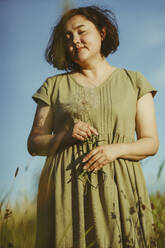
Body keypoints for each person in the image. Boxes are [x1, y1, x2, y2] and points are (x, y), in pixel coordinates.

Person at [27, 5, 159, 248]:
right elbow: (34, 143)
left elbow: (151, 142)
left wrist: (114, 150)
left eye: (81, 32)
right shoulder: (53, 86)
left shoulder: (135, 81)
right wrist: (64, 136)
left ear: (102, 32)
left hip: (120, 186)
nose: (75, 40)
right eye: (67, 37)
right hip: (67, 189)